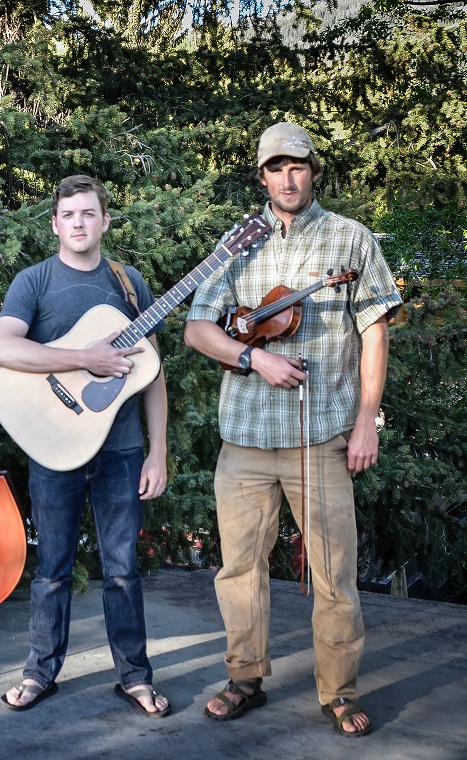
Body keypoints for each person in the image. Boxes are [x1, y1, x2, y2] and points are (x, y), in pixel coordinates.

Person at [184, 122, 402, 737]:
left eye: (297, 167)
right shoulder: (237, 243)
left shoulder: (350, 240)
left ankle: (339, 692)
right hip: (245, 439)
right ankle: (245, 678)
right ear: (262, 176)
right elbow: (198, 330)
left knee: (335, 574)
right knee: (239, 571)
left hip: (323, 436)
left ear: (312, 172)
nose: (287, 178)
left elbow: (375, 331)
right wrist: (254, 357)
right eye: (276, 168)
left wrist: (366, 421)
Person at [0, 175, 171, 716]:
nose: (78, 223)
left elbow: (154, 375)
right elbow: (3, 350)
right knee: (52, 570)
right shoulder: (34, 281)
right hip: (54, 446)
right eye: (68, 215)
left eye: (88, 214)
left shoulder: (130, 284)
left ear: (105, 221)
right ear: (55, 223)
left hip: (121, 451)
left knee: (122, 570)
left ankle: (135, 677)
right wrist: (81, 358)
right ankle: (39, 673)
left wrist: (158, 452)